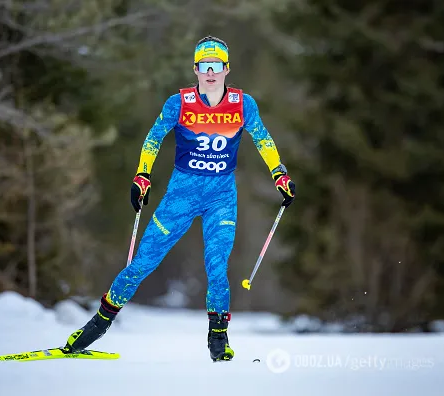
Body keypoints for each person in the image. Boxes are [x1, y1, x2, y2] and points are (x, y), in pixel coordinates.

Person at [64, 35, 295, 362]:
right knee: (142, 263)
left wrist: (279, 175)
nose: (211, 72)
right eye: (204, 66)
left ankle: (218, 339)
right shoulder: (179, 103)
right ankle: (96, 326)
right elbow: (153, 139)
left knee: (217, 267)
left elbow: (264, 140)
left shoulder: (244, 105)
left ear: (227, 69)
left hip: (221, 198)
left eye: (217, 66)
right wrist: (142, 176)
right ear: (196, 70)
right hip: (180, 196)